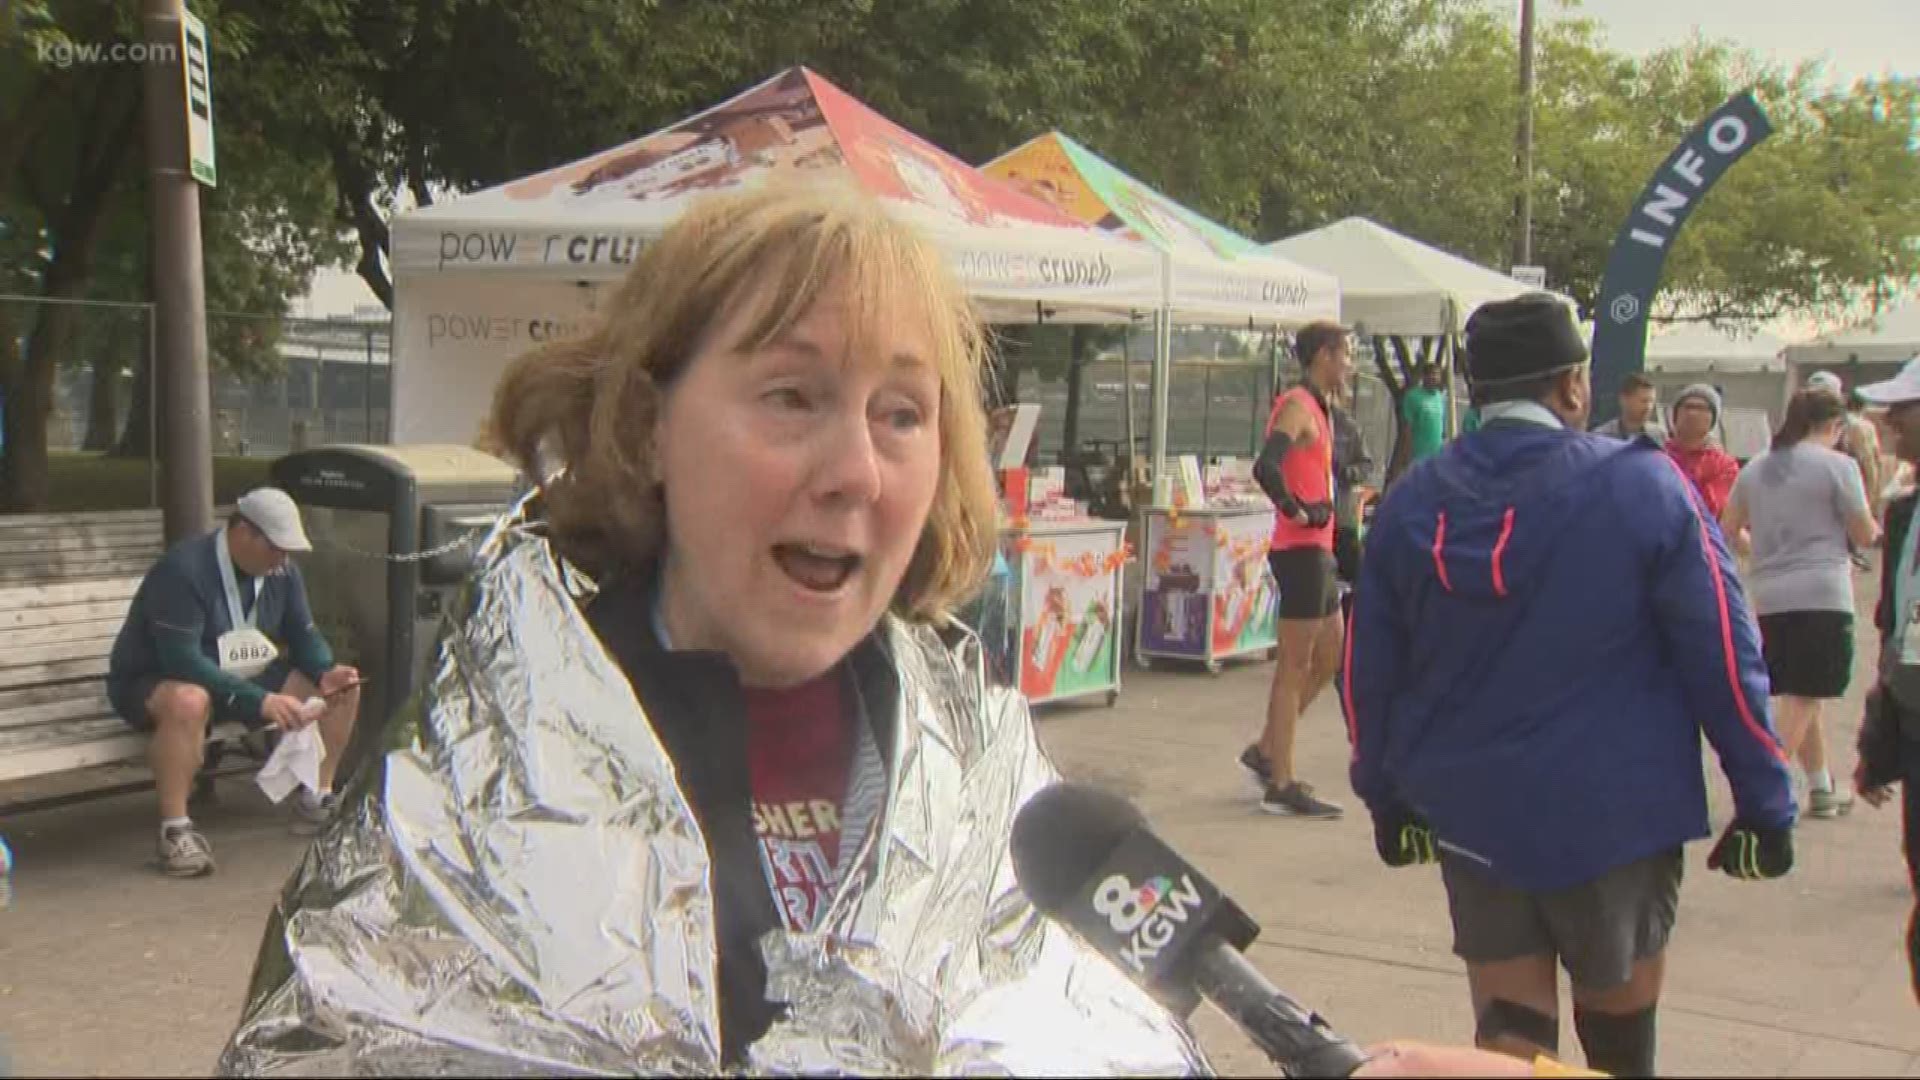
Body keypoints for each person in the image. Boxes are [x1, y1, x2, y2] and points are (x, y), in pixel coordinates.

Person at [217, 184, 1206, 1075]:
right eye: (792, 396)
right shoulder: (469, 778)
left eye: (902, 413)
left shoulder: (990, 768)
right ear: (650, 428)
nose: (856, 471)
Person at [1344, 294, 1797, 1077]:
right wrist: (1765, 802)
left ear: (1476, 390)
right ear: (1575, 386)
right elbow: (1723, 653)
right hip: (1616, 816)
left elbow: (1368, 672)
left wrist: (1386, 794)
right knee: (1620, 1048)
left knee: (1511, 1041)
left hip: (1475, 818)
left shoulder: (1413, 499)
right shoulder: (1643, 487)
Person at [105, 488, 361, 878]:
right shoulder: (183, 570)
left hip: (241, 675)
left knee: (343, 689)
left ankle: (317, 796)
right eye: (276, 547)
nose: (283, 559)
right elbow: (182, 660)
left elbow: (304, 634)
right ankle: (175, 831)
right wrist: (260, 701)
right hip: (156, 680)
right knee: (189, 701)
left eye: (289, 550)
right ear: (244, 532)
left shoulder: (282, 571)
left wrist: (325, 672)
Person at [1720, 389, 1879, 819]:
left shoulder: (1756, 468)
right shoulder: (1839, 466)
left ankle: (1821, 785)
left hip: (1771, 592)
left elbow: (1728, 527)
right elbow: (1865, 534)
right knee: (1810, 691)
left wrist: (1764, 550)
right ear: (1834, 425)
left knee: (1799, 692)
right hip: (1823, 588)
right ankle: (1763, 790)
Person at [1243, 320, 1352, 819]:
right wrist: (1297, 508)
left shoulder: (1323, 409)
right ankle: (1281, 781)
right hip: (1301, 552)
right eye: (1345, 354)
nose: (1349, 363)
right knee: (1294, 666)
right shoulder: (1297, 406)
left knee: (1331, 656)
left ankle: (1268, 748)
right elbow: (1267, 465)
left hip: (1320, 551)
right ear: (1324, 356)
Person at [1854, 356, 1920, 1006]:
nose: (1891, 422)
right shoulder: (1905, 515)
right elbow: (1897, 630)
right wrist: (1881, 736)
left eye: (1906, 409)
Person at [1807, 370, 1886, 527]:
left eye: (1825, 396)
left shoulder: (1856, 428)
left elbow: (1870, 470)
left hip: (1847, 511)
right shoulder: (1802, 428)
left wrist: (1867, 511)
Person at [1664, 383, 1740, 517]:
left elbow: (1712, 507)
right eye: (1687, 407)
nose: (1692, 413)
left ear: (1713, 418)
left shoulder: (1723, 465)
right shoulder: (1659, 455)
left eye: (1701, 408)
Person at [1591, 372, 1667, 444]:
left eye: (1651, 401)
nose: (1649, 407)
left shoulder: (1658, 435)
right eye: (1644, 401)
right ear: (1624, 399)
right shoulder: (1601, 436)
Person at [1401, 362, 1449, 464]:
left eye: (1437, 374)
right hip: (1418, 454)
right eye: (1432, 374)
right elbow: (1407, 427)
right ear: (1424, 376)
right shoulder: (1413, 396)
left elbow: (1443, 430)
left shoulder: (1441, 398)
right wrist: (1407, 454)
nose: (1435, 377)